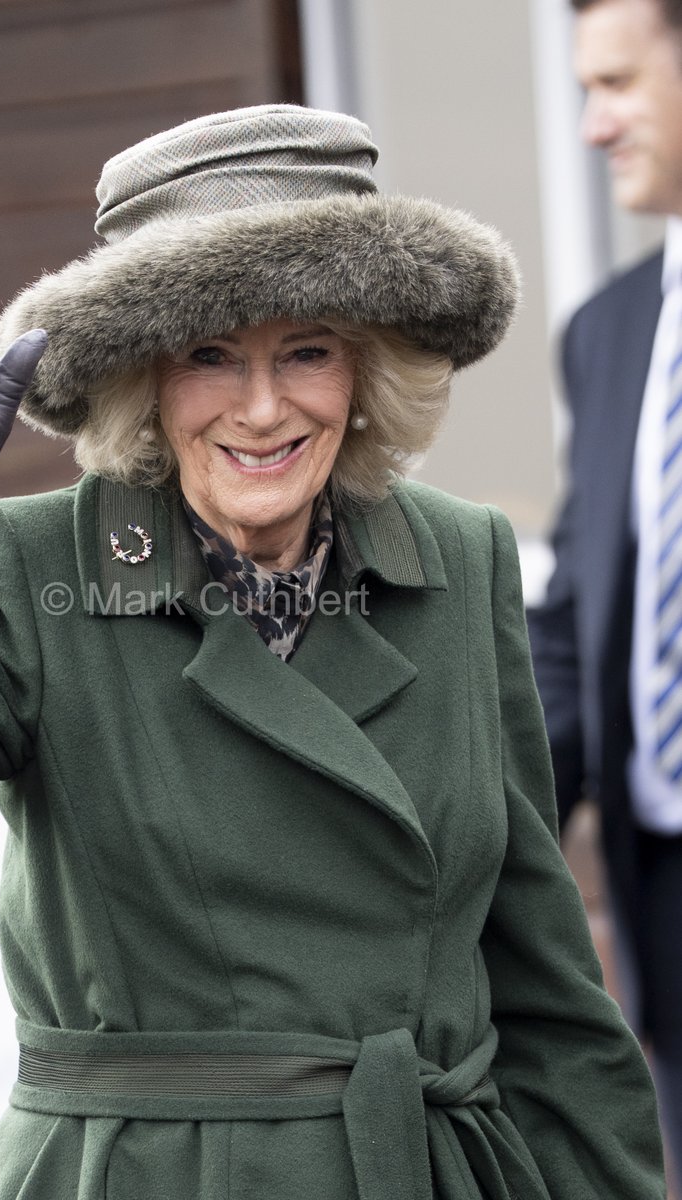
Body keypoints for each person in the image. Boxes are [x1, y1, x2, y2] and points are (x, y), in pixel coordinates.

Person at [0, 104, 664, 1200]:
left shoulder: (458, 556)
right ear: (143, 376)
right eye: (209, 354)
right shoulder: (31, 563)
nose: (262, 407)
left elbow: (544, 982)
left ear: (365, 366)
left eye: (307, 351)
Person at [528, 0, 682, 1178]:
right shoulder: (608, 332)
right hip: (660, 902)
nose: (592, 125)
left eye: (618, 83)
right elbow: (579, 630)